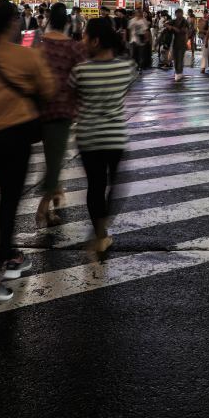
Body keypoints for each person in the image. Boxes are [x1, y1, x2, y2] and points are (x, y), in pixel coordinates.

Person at [0, 0, 55, 302]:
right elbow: (49, 90)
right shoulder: (25, 57)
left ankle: (9, 256)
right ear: (12, 24)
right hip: (13, 139)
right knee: (9, 202)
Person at [69, 17, 137, 254]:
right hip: (114, 137)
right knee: (115, 186)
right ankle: (103, 228)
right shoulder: (126, 68)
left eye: (85, 37)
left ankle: (100, 235)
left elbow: (73, 97)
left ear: (96, 41)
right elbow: (126, 89)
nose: (82, 41)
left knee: (95, 187)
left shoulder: (80, 71)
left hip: (88, 137)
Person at [36, 3, 86, 228]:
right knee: (55, 160)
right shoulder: (74, 49)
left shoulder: (39, 46)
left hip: (37, 108)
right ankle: (43, 208)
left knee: (52, 157)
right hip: (62, 109)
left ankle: (54, 203)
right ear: (67, 23)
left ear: (47, 20)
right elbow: (82, 79)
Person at [168, 8, 190, 82]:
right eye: (177, 13)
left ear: (182, 13)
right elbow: (166, 24)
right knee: (175, 58)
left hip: (182, 42)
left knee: (180, 58)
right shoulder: (173, 21)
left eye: (180, 13)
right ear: (175, 14)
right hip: (174, 42)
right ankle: (177, 71)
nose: (178, 15)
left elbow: (185, 32)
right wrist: (169, 27)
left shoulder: (185, 22)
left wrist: (186, 41)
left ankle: (179, 72)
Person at [127, 8, 150, 74]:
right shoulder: (131, 21)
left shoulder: (144, 21)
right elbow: (129, 30)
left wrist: (147, 39)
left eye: (139, 12)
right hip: (133, 40)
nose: (138, 14)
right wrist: (128, 39)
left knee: (141, 54)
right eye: (137, 12)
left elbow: (146, 31)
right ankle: (134, 67)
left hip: (141, 40)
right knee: (133, 54)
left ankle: (140, 67)